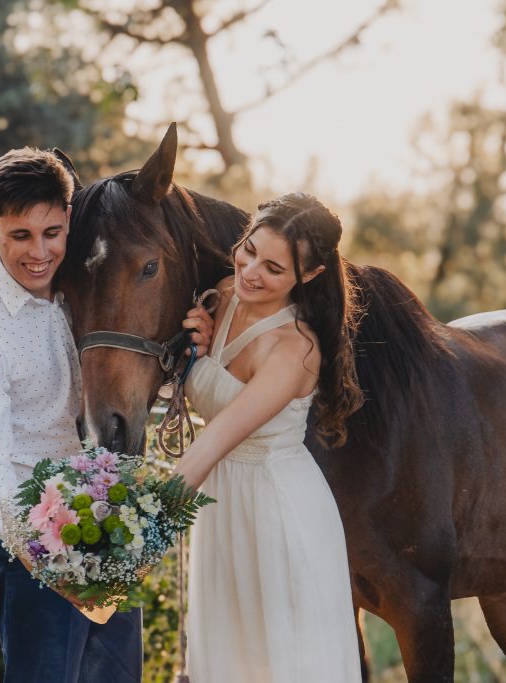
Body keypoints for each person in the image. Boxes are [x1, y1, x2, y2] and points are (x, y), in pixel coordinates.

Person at [0, 148, 148, 683]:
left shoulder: (90, 283)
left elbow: (131, 376)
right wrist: (42, 551)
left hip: (107, 521)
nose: (39, 253)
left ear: (69, 220)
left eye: (52, 233)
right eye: (21, 236)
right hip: (29, 540)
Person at [175, 192, 365, 682]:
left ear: (310, 275)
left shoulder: (294, 348)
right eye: (250, 250)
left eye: (274, 268)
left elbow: (217, 439)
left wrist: (139, 525)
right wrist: (194, 354)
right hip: (221, 505)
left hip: (277, 513)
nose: (251, 271)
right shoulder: (220, 295)